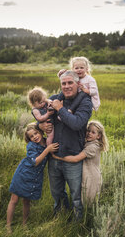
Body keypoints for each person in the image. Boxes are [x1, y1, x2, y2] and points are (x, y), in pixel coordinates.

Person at [39, 70, 93, 220]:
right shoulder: (54, 99)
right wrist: (41, 126)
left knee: (76, 196)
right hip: (54, 156)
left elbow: (76, 124)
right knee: (57, 194)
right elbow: (40, 117)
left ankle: (77, 225)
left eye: (70, 83)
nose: (67, 86)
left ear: (77, 84)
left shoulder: (85, 102)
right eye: (64, 83)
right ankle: (59, 221)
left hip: (73, 157)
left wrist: (60, 109)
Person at [6, 123, 59, 233]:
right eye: (31, 136)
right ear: (29, 139)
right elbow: (35, 162)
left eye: (36, 133)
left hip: (34, 177)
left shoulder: (47, 142)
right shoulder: (31, 146)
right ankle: (8, 226)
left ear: (40, 132)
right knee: (14, 200)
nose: (35, 137)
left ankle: (24, 225)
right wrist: (47, 150)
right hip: (23, 174)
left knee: (26, 201)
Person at [52, 120, 109, 204]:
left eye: (93, 132)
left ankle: (86, 216)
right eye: (88, 131)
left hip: (91, 177)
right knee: (84, 197)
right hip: (87, 175)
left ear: (99, 136)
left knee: (87, 200)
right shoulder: (89, 143)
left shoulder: (93, 147)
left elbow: (76, 159)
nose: (89, 133)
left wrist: (58, 157)